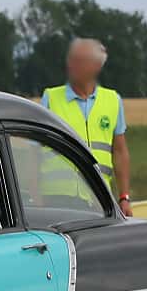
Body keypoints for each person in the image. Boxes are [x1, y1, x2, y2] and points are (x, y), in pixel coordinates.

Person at [40, 37, 131, 209]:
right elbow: (33, 153)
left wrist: (124, 197)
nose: (72, 65)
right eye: (71, 59)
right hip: (56, 198)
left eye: (79, 61)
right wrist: (36, 197)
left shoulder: (112, 100)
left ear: (97, 66)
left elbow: (120, 152)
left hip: (99, 198)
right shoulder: (51, 98)